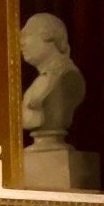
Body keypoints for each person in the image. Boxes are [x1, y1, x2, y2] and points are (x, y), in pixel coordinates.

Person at [19, 12, 85, 145]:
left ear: (49, 36)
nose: (21, 43)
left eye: (27, 35)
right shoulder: (41, 81)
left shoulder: (68, 78)